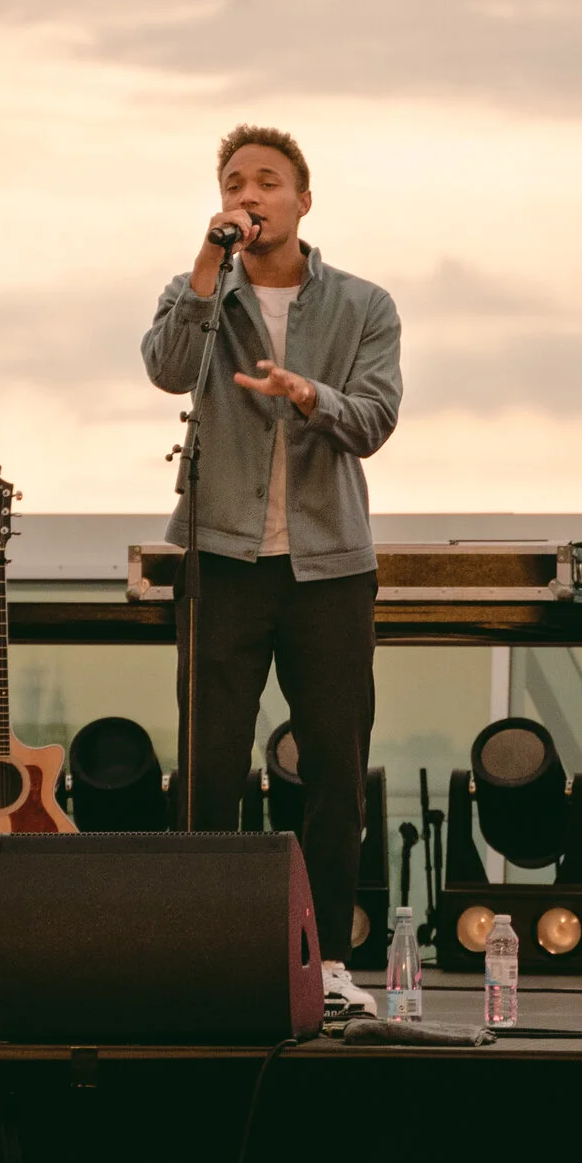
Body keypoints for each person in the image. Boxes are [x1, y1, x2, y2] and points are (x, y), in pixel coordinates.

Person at [142, 124, 401, 973]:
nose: (248, 195)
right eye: (233, 183)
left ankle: (324, 967)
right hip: (222, 561)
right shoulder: (200, 292)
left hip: (330, 568)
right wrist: (204, 268)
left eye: (266, 182)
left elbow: (375, 420)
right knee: (208, 770)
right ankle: (206, 957)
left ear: (303, 200)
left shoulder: (364, 305)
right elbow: (168, 370)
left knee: (333, 772)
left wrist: (308, 393)